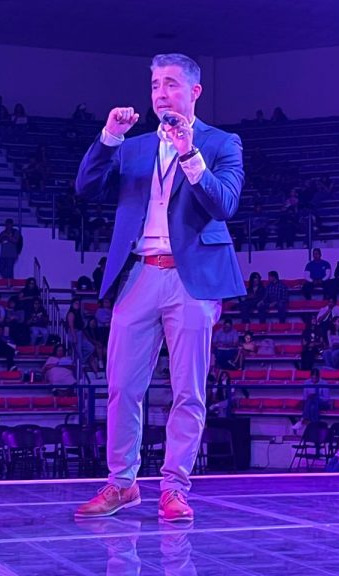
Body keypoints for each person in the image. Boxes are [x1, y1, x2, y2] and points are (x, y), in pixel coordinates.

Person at [75, 53, 244, 522]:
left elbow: (224, 204)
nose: (161, 93)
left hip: (193, 279)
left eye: (170, 84)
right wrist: (109, 136)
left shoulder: (222, 143)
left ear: (194, 91)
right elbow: (86, 187)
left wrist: (190, 154)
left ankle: (174, 488)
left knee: (188, 390)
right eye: (155, 85)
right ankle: (121, 484)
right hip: (140, 273)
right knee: (122, 386)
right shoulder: (133, 147)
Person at [291, 368, 331, 434]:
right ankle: (314, 428)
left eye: (315, 378)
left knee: (313, 399)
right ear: (310, 377)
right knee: (312, 407)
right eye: (312, 378)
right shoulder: (306, 382)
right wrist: (312, 397)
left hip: (323, 404)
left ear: (318, 377)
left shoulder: (324, 383)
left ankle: (302, 420)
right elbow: (305, 397)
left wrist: (316, 397)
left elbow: (326, 398)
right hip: (311, 404)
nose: (314, 380)